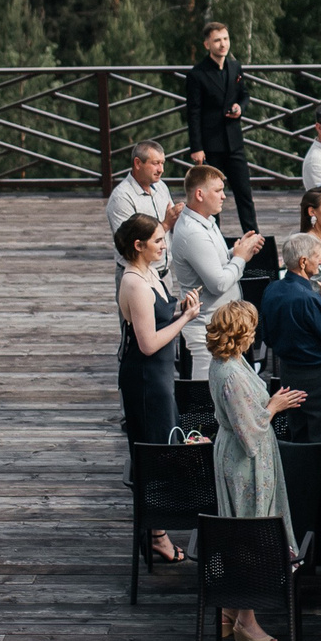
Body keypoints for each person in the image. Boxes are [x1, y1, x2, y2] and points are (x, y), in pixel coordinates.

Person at [202, 301, 305, 641]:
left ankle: (230, 609)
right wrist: (274, 406)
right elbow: (249, 433)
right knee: (250, 532)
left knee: (241, 530)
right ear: (240, 333)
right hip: (246, 465)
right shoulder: (230, 373)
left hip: (239, 456)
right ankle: (246, 619)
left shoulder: (228, 361)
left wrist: (271, 403)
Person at [112, 212, 204, 565]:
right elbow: (148, 343)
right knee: (157, 450)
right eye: (158, 241)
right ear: (139, 246)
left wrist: (180, 307)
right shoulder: (134, 283)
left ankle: (157, 530)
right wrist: (186, 319)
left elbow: (159, 313)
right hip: (146, 378)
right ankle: (156, 535)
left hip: (161, 374)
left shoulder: (151, 273)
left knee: (168, 443)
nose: (164, 245)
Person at [171, 164, 264, 386]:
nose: (224, 196)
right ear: (199, 194)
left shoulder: (206, 221)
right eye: (218, 190)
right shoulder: (193, 232)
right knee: (208, 397)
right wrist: (240, 258)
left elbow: (214, 261)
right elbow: (218, 283)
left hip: (222, 326)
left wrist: (238, 250)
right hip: (207, 331)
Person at [261, 233, 321, 442]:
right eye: (316, 256)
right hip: (317, 377)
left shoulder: (272, 289)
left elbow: (267, 336)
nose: (320, 260)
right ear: (303, 262)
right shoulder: (307, 299)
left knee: (298, 431)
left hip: (288, 372)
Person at [181, 21, 257, 234]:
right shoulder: (197, 74)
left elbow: (244, 95)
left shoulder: (235, 67)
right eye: (217, 40)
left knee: (245, 194)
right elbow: (193, 112)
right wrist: (197, 148)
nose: (223, 44)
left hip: (234, 141)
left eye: (225, 39)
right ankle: (213, 239)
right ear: (207, 45)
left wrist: (240, 108)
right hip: (210, 144)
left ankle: (254, 239)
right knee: (211, 197)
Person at [103, 140, 180, 289]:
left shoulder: (161, 186)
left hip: (164, 275)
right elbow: (127, 244)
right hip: (137, 279)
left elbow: (173, 220)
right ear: (138, 163)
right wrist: (165, 225)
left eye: (162, 163)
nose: (161, 170)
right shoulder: (122, 198)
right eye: (155, 163)